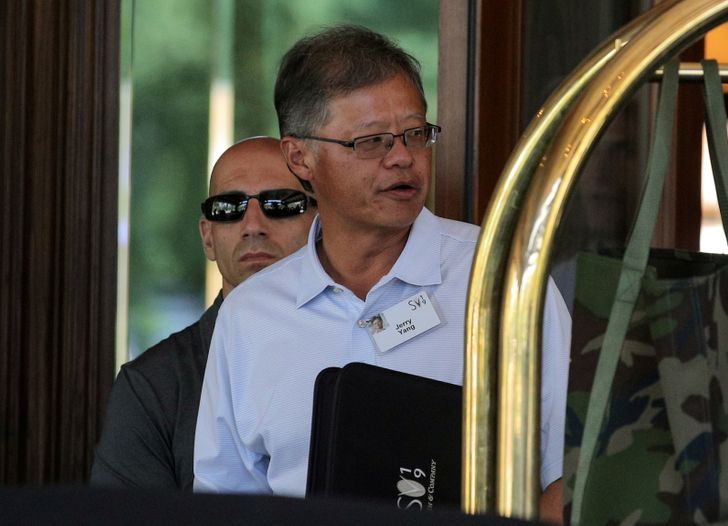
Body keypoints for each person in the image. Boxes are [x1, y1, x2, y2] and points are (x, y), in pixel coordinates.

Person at [193, 25, 570, 521]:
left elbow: (571, 470)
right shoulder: (249, 314)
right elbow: (223, 497)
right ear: (299, 157)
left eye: (416, 134)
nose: (402, 158)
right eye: (371, 142)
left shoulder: (504, 280)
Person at [90, 136, 316, 490]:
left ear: (322, 224)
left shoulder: (357, 347)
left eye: (280, 204)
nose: (253, 224)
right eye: (228, 208)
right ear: (208, 237)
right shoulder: (154, 386)